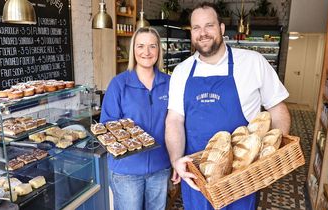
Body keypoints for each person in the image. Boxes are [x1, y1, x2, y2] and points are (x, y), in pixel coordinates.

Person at [165, 2, 291, 210]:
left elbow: (277, 108)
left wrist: (272, 154)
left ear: (222, 29)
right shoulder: (181, 71)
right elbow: (174, 120)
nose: (202, 33)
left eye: (209, 26)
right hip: (198, 176)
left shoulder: (253, 62)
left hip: (241, 175)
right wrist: (176, 159)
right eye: (196, 28)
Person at [100, 27, 171, 210]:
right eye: (140, 46)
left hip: (160, 167)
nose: (146, 52)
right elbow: (108, 127)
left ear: (159, 50)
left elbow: (178, 123)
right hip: (127, 171)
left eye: (152, 46)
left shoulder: (170, 83)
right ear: (133, 50)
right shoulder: (119, 84)